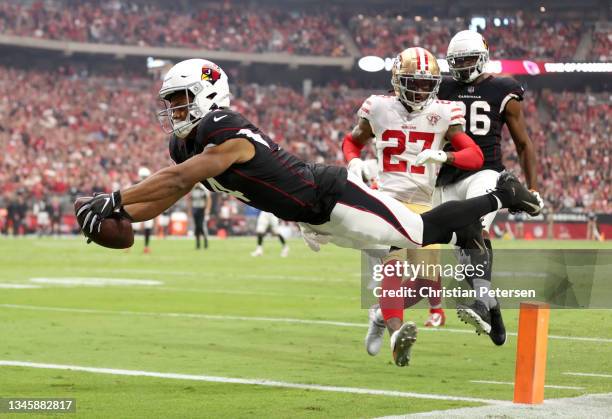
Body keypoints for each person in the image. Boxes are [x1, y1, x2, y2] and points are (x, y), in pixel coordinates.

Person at [76, 59, 543, 362]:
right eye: (170, 102)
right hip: (311, 217)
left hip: (329, 195)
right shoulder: (185, 143)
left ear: (206, 94)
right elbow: (172, 191)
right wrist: (124, 216)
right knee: (402, 243)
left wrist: (114, 200)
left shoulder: (224, 126)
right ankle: (395, 310)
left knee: (418, 233)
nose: (173, 110)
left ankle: (503, 193)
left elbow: (179, 179)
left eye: (179, 100)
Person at [343, 47, 485, 364]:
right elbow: (352, 140)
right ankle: (395, 332)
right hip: (387, 199)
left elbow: (475, 157)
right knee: (393, 264)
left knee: (424, 281)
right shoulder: (378, 106)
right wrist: (353, 163)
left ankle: (380, 313)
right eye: (414, 82)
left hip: (422, 204)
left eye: (426, 83)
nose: (421, 89)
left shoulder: (446, 112)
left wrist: (444, 155)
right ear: (398, 80)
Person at [433, 30, 541, 346]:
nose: (462, 67)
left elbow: (523, 143)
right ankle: (492, 308)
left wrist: (534, 187)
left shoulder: (503, 89)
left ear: (482, 57)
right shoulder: (443, 87)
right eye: (456, 61)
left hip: (485, 172)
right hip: (446, 175)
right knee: (462, 250)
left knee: (473, 227)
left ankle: (480, 303)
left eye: (467, 60)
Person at [135, 167, 155, 253]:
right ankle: (128, 246)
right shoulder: (136, 185)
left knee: (147, 228)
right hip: (139, 208)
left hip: (148, 208)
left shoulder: (151, 185)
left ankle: (146, 247)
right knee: (135, 228)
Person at [189, 183, 211, 249]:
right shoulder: (192, 189)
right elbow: (190, 200)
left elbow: (208, 199)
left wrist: (207, 209)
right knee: (196, 227)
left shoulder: (204, 188)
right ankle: (198, 243)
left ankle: (205, 241)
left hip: (202, 209)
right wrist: (190, 210)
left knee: (201, 226)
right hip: (195, 209)